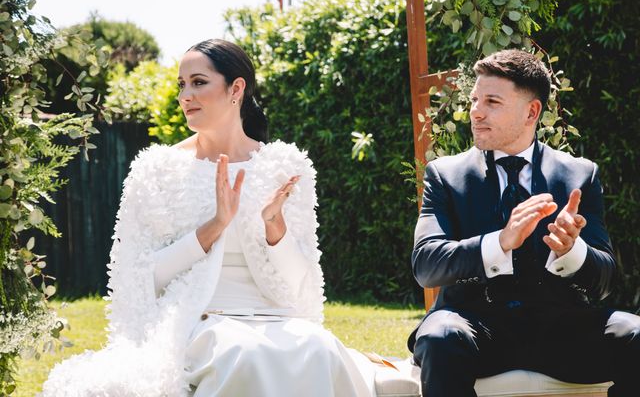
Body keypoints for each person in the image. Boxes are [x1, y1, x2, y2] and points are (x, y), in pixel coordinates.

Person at [43, 39, 375, 396]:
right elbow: (136, 279)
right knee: (242, 355)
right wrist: (212, 229)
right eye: (181, 85)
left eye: (198, 82)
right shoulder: (157, 170)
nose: (186, 95)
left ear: (236, 89)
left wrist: (274, 228)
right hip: (199, 320)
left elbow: (301, 284)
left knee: (319, 348)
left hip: (275, 318)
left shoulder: (283, 167)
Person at [408, 49, 640, 396]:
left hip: (561, 332)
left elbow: (605, 280)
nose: (475, 111)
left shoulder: (580, 174)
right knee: (439, 335)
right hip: (472, 330)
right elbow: (427, 264)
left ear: (532, 111)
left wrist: (572, 251)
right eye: (474, 99)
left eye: (492, 101)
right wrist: (499, 242)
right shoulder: (445, 175)